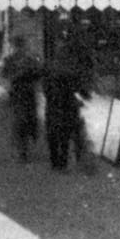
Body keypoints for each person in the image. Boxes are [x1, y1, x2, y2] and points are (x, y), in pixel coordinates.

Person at [44, 24, 94, 171]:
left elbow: (45, 84)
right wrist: (84, 94)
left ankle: (56, 162)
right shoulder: (68, 66)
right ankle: (63, 162)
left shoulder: (52, 64)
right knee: (64, 133)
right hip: (65, 103)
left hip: (54, 103)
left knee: (54, 132)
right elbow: (76, 83)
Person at [1, 37, 42, 162]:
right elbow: (38, 75)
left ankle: (23, 150)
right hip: (28, 94)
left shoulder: (10, 60)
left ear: (14, 46)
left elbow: (4, 76)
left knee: (20, 121)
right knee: (28, 119)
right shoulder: (31, 59)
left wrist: (8, 90)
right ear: (23, 45)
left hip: (17, 94)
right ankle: (26, 146)